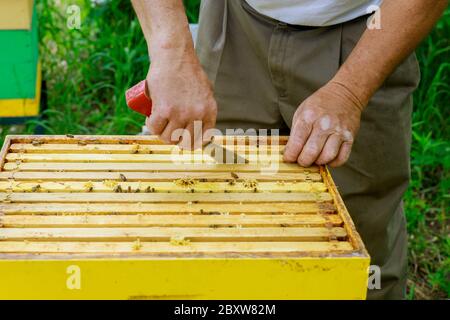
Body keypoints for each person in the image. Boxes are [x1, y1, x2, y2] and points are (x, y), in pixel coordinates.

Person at [131, 0, 447, 299]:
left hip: (367, 30)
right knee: (216, 207)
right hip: (233, 19)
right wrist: (172, 55)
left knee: (356, 244)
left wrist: (349, 93)